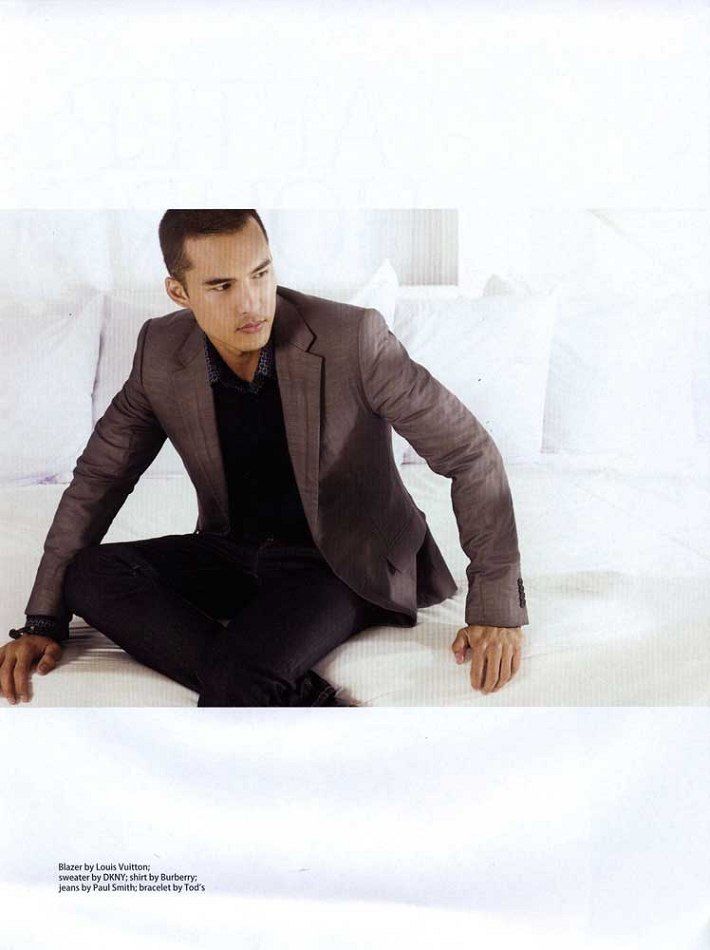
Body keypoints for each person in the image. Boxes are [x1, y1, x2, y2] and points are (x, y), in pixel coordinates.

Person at [1, 209, 529, 707]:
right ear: (179, 292)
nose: (251, 302)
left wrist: (496, 609)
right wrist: (44, 622)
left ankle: (253, 681)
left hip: (341, 564)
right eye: (222, 286)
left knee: (239, 673)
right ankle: (285, 692)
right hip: (233, 551)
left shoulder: (353, 338)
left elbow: (470, 453)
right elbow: (99, 478)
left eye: (260, 274)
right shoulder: (160, 350)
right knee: (88, 574)